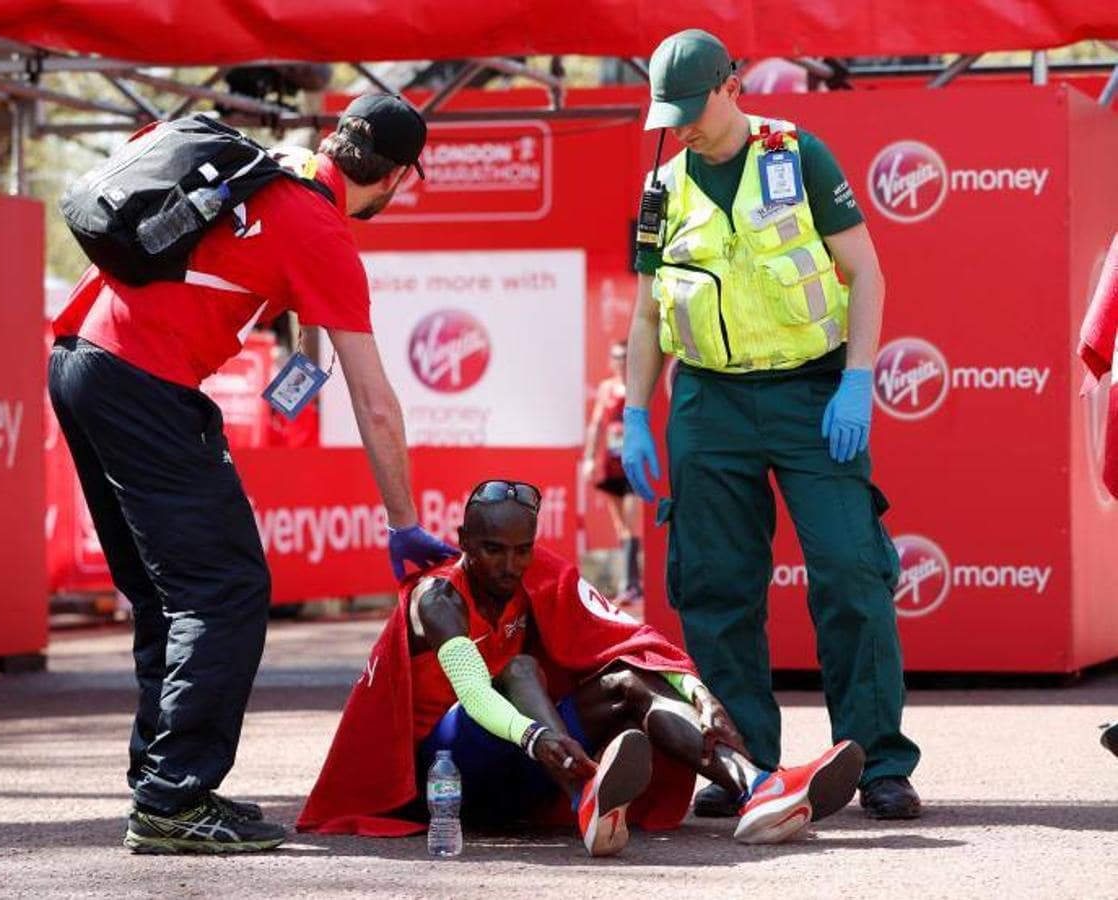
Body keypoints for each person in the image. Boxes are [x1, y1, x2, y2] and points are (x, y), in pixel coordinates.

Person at [48, 93, 456, 854]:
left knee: (166, 594)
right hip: (144, 380)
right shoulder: (322, 228)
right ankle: (173, 798)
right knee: (226, 588)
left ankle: (165, 784)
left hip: (77, 360)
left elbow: (288, 304)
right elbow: (375, 402)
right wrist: (403, 524)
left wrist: (302, 359)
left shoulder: (275, 167)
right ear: (398, 176)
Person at [620, 29, 922, 821]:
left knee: (851, 571)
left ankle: (878, 761)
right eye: (668, 114)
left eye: (691, 108)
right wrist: (633, 411)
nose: (679, 125)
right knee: (716, 588)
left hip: (811, 391)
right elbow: (648, 314)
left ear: (730, 87)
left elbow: (866, 271)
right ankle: (745, 762)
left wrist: (857, 381)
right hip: (708, 402)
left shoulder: (799, 155)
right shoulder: (663, 188)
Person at [298, 480, 865, 855]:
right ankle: (583, 792)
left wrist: (694, 689)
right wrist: (540, 736)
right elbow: (473, 693)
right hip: (448, 777)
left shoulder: (536, 573)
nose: (510, 564)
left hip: (527, 754)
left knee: (626, 682)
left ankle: (758, 789)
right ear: (464, 542)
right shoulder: (437, 598)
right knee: (520, 671)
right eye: (493, 548)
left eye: (522, 550)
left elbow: (626, 637)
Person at [580, 341, 642, 602]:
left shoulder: (639, 386)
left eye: (626, 357)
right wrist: (589, 458)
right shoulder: (606, 388)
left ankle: (631, 584)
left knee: (630, 523)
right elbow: (596, 424)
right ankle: (630, 584)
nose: (621, 361)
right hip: (610, 462)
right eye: (617, 357)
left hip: (633, 463)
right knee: (620, 527)